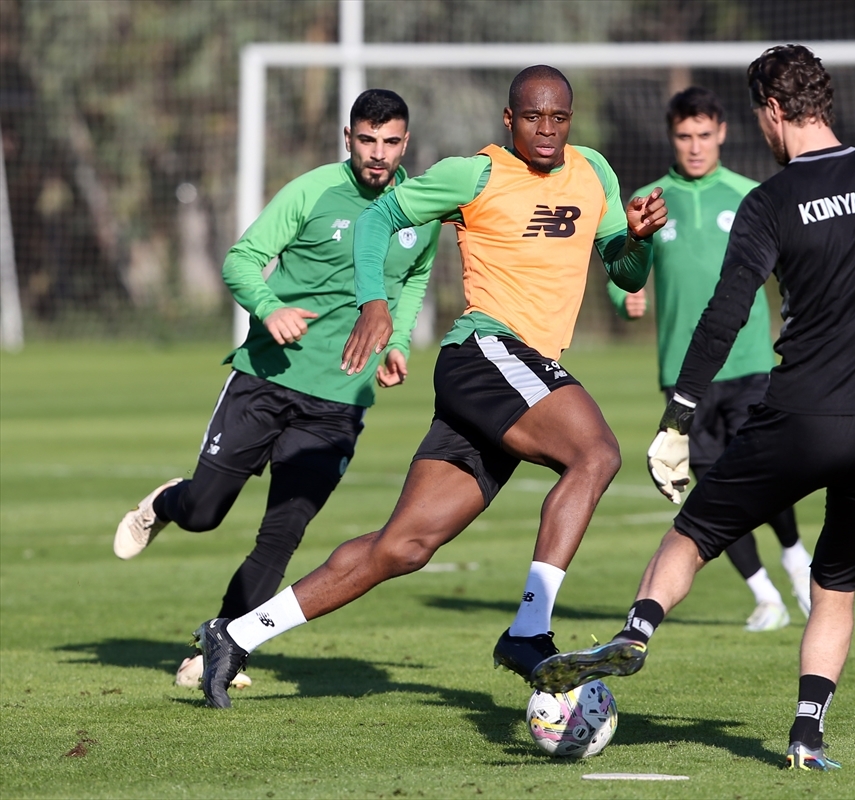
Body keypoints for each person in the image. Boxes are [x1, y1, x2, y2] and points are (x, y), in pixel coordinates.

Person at [532, 45, 855, 771]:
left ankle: (635, 633)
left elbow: (726, 315)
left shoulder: (771, 201)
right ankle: (805, 735)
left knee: (693, 533)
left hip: (803, 420)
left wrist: (678, 417)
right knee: (836, 588)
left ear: (771, 110)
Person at [191, 65, 668, 709]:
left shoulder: (595, 172)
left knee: (404, 546)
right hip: (486, 352)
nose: (547, 131)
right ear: (509, 120)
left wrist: (639, 240)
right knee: (597, 453)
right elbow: (374, 223)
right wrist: (374, 303)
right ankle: (530, 631)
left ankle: (235, 635)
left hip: (512, 376)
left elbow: (626, 274)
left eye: (558, 119)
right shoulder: (474, 173)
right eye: (533, 118)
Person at [113, 89, 438, 690]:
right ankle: (165, 504)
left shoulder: (418, 208)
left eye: (390, 142)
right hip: (264, 381)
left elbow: (411, 283)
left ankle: (223, 646)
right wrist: (270, 307)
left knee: (281, 536)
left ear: (405, 144)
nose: (378, 154)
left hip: (339, 404)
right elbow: (241, 259)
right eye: (366, 140)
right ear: (348, 139)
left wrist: (396, 343)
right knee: (205, 513)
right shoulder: (311, 191)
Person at [607, 86, 812, 632]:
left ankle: (795, 557)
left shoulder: (751, 195)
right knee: (713, 488)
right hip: (683, 374)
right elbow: (621, 269)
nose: (694, 146)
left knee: (761, 475)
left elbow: (792, 270)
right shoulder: (649, 201)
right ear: (670, 137)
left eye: (704, 135)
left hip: (747, 364)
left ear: (721, 132)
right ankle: (764, 595)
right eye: (683, 136)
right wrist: (625, 299)